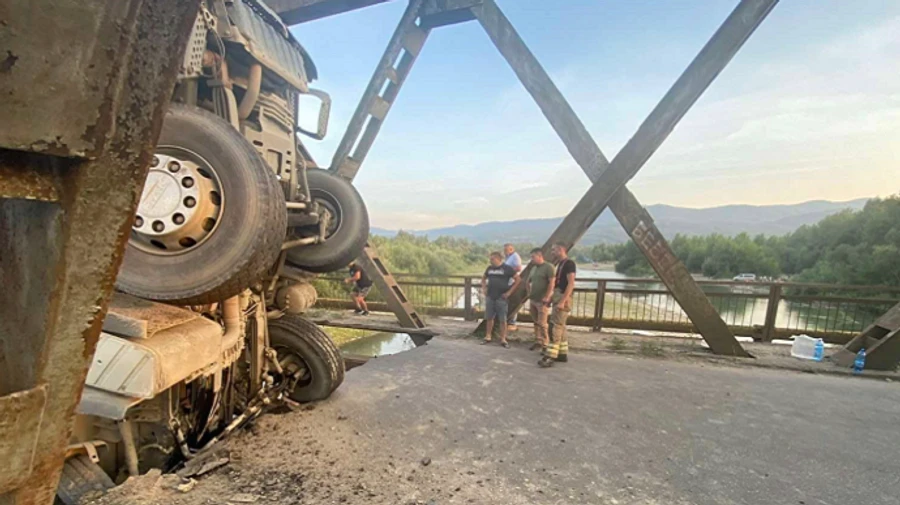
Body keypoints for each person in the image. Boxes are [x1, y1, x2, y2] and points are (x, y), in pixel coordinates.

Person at [539, 242, 576, 368]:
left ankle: (551, 356)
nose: (552, 252)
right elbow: (558, 284)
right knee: (561, 326)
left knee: (555, 326)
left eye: (554, 250)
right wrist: (551, 299)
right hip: (558, 295)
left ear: (561, 250)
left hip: (562, 297)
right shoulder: (561, 264)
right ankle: (562, 353)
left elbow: (571, 283)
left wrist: (562, 301)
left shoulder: (569, 264)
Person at [480, 251, 521, 348]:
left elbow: (518, 280)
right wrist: (484, 289)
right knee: (489, 317)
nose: (490, 261)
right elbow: (483, 278)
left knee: (503, 319)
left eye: (492, 259)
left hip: (501, 297)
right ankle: (488, 336)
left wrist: (509, 292)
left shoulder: (507, 268)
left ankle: (503, 338)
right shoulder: (489, 269)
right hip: (490, 296)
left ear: (498, 259)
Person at [525, 248, 555, 352]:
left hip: (542, 300)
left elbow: (552, 283)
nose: (532, 259)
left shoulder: (548, 267)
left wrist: (547, 296)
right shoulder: (534, 268)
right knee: (536, 322)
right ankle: (538, 340)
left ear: (539, 256)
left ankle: (545, 343)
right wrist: (529, 293)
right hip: (533, 298)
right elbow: (527, 281)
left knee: (542, 323)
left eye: (533, 257)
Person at [503, 243, 523, 330]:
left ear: (511, 249)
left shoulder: (515, 256)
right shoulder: (508, 257)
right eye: (504, 250)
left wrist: (507, 271)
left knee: (511, 301)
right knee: (506, 302)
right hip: (506, 282)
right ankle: (506, 321)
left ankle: (512, 322)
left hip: (512, 282)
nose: (504, 251)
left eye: (506, 250)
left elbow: (518, 268)